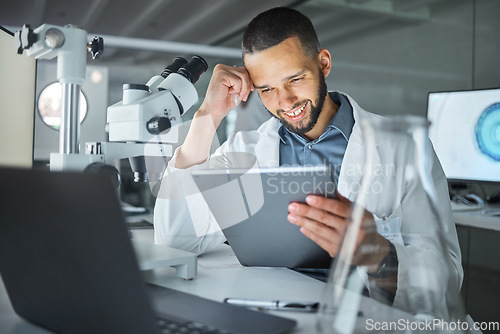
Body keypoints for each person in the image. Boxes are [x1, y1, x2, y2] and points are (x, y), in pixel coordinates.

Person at [154, 7, 462, 317]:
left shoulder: (404, 149)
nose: (284, 102)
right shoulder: (247, 152)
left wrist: (377, 253)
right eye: (267, 89)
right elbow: (177, 239)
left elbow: (447, 277)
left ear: (323, 64)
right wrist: (209, 114)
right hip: (279, 313)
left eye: (295, 79)